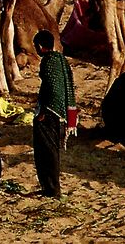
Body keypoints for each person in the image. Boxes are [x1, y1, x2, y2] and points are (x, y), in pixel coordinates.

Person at [33, 30, 77, 199]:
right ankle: (50, 187)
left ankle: (51, 189)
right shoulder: (61, 60)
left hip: (50, 114)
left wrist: (43, 112)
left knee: (47, 152)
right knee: (52, 152)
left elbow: (53, 88)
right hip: (60, 115)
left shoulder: (49, 62)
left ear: (41, 47)